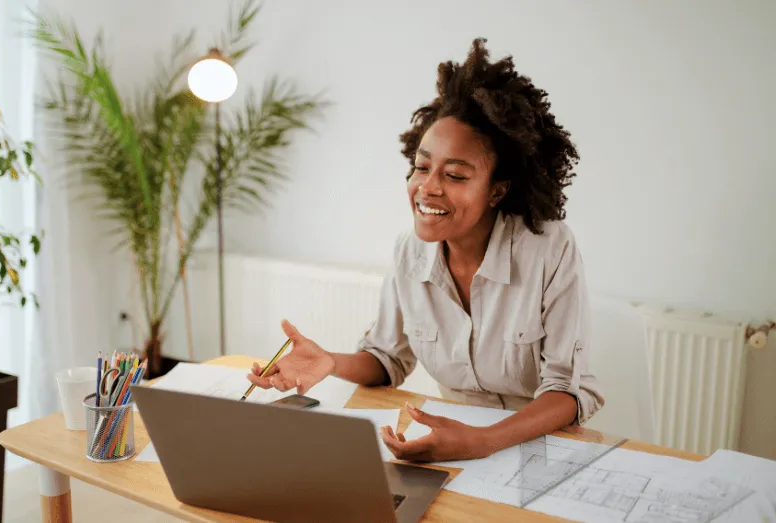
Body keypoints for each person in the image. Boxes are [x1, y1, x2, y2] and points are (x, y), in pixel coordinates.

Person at [246, 38, 604, 463]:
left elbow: (565, 388)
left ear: (497, 191)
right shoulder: (409, 251)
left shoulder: (549, 248)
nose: (427, 187)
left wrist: (483, 441)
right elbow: (386, 359)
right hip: (453, 442)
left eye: (454, 174)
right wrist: (329, 363)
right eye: (421, 166)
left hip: (539, 447)